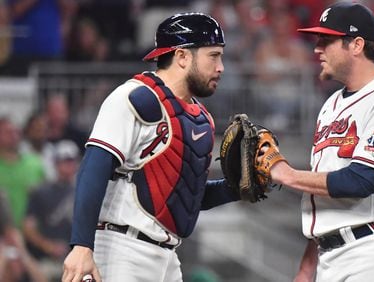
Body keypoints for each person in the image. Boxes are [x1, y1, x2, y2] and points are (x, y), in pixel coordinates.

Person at [62, 13, 241, 282]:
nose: (221, 67)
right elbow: (93, 169)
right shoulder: (134, 98)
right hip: (121, 249)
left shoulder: (201, 118)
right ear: (182, 57)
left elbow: (186, 197)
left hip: (168, 258)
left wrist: (236, 187)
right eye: (213, 56)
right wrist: (81, 244)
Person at [260, 3, 374, 281]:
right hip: (330, 254)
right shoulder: (331, 105)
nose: (317, 48)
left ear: (356, 45)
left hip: (373, 245)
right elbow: (324, 191)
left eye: (327, 40)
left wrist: (286, 174)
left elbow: (361, 181)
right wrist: (306, 267)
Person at [23, 140, 80, 281]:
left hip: (77, 258)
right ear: (55, 163)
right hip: (46, 259)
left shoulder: (84, 192)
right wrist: (47, 246)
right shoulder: (41, 191)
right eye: (64, 161)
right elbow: (28, 227)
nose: (68, 165)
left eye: (71, 161)